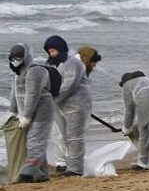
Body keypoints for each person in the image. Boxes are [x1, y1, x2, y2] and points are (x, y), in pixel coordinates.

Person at [44, 35, 91, 176]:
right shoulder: (52, 64)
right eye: (49, 52)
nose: (51, 54)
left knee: (74, 136)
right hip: (61, 105)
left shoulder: (72, 63)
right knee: (63, 136)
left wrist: (53, 98)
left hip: (76, 104)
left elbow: (69, 85)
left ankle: (76, 169)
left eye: (53, 51)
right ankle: (68, 164)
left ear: (61, 49)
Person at [7, 44, 54, 182]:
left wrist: (26, 116)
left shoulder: (35, 71)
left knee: (35, 142)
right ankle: (42, 174)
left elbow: (33, 94)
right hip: (26, 113)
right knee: (34, 142)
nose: (16, 60)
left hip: (42, 113)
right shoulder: (17, 72)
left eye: (19, 57)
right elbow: (14, 93)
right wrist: (12, 112)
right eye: (14, 57)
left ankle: (27, 173)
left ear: (26, 56)